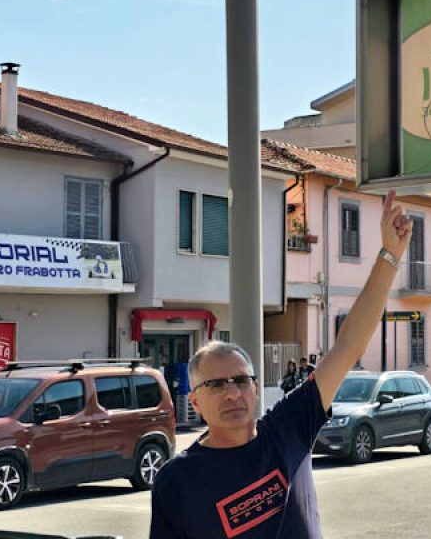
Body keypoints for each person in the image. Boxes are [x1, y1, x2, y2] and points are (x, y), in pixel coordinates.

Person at [149, 191, 412, 539]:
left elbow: (347, 347)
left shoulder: (287, 428)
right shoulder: (175, 481)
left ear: (255, 388)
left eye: (241, 380)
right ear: (194, 400)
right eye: (216, 384)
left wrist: (390, 254)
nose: (232, 393)